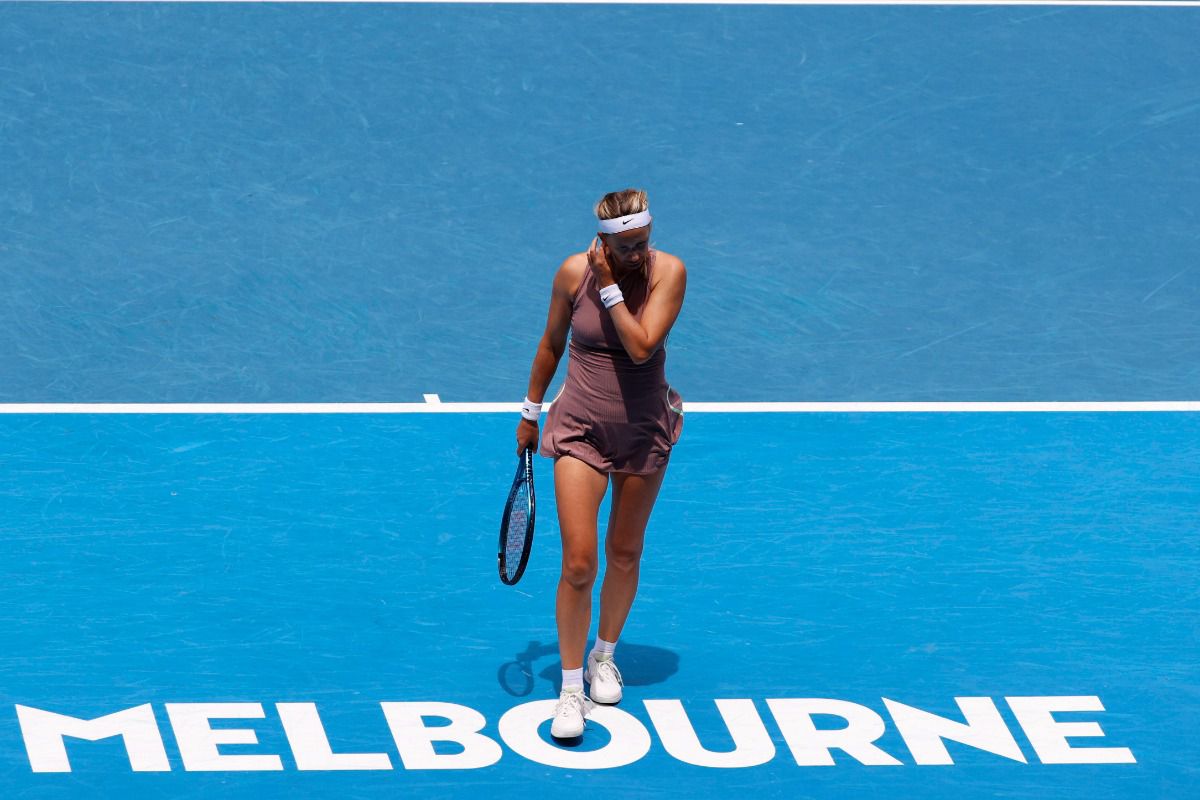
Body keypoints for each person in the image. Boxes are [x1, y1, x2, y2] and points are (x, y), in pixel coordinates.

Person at [515, 188, 687, 739]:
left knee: (625, 551)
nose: (637, 254)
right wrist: (530, 413)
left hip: (643, 429)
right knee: (579, 564)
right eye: (625, 246)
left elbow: (641, 347)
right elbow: (551, 344)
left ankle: (603, 656)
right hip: (580, 430)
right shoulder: (573, 273)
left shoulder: (668, 273)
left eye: (643, 243)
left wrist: (610, 284)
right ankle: (570, 690)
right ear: (603, 240)